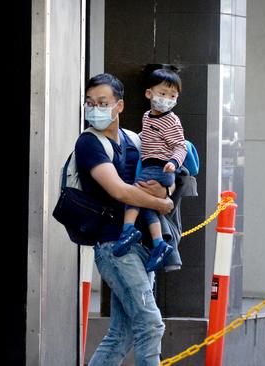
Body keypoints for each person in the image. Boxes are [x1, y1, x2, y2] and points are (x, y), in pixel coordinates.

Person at [76, 73, 174, 366]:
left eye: (102, 102)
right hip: (115, 247)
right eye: (90, 103)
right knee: (150, 323)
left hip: (143, 246)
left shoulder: (135, 139)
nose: (95, 108)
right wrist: (161, 202)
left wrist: (164, 191)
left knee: (123, 333)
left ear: (119, 106)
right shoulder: (89, 144)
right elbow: (118, 190)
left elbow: (163, 176)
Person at [113, 67, 187, 272]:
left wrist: (174, 161)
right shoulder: (147, 117)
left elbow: (180, 145)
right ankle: (159, 244)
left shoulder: (171, 120)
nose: (168, 99)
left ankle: (128, 230)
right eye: (163, 94)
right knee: (147, 207)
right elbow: (149, 139)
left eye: (173, 96)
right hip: (150, 164)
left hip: (160, 166)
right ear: (149, 93)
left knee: (134, 196)